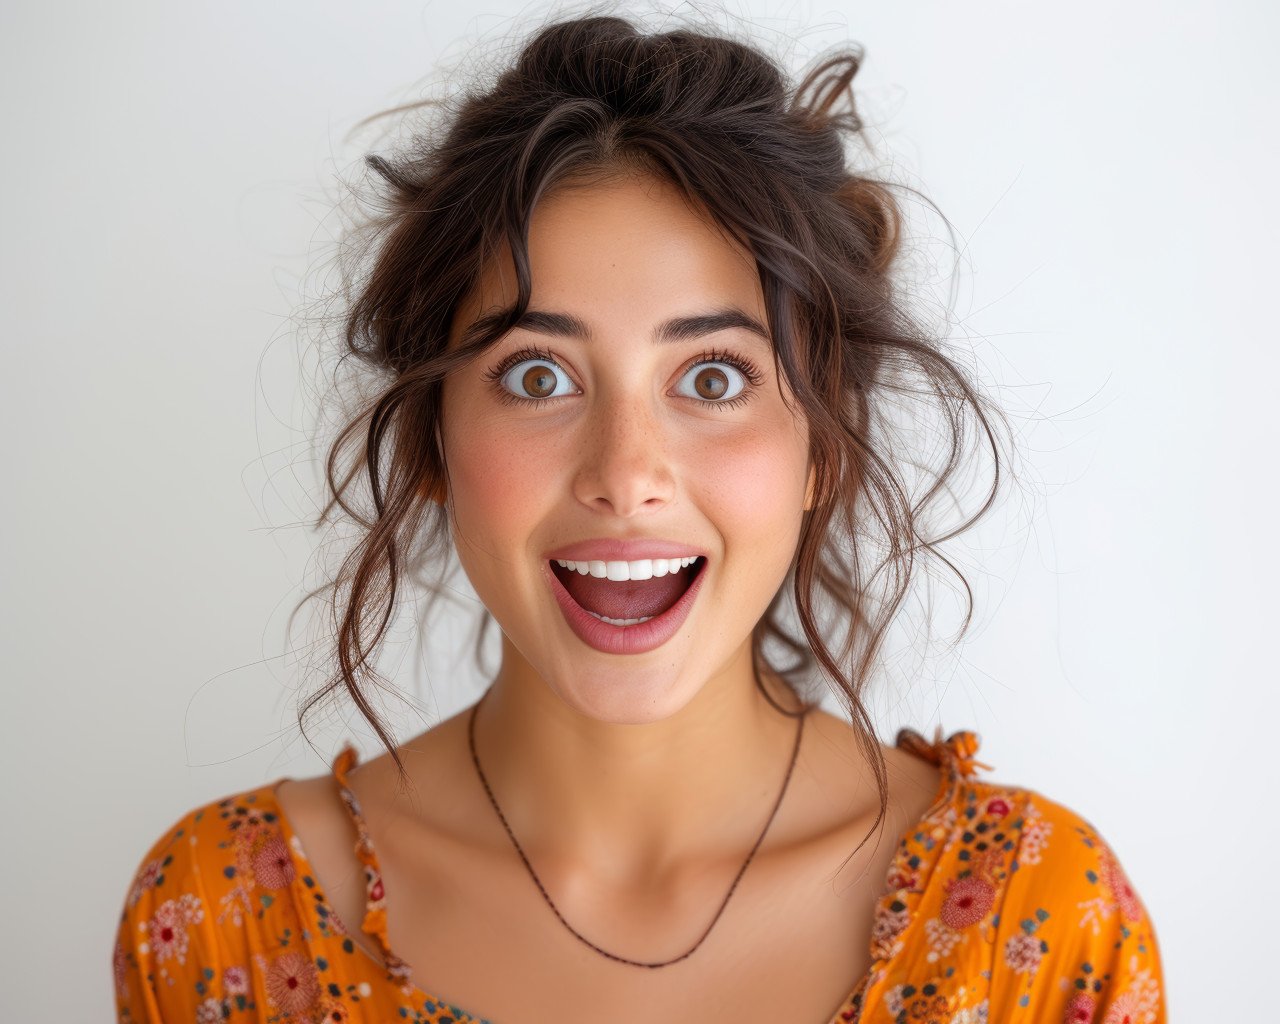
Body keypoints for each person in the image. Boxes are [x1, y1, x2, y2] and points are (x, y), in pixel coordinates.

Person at [112, 12, 1166, 1024]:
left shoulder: (1045, 919)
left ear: (822, 448)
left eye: (711, 377)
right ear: (432, 444)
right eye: (535, 375)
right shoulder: (219, 920)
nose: (625, 474)